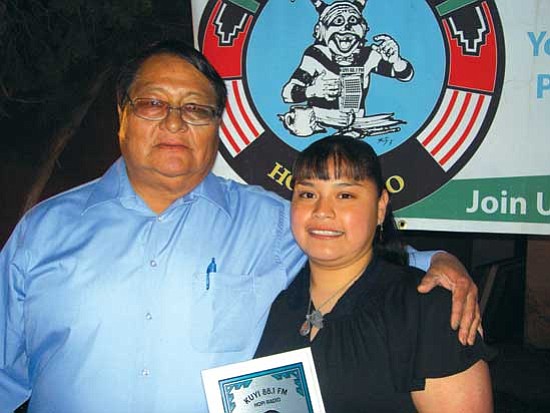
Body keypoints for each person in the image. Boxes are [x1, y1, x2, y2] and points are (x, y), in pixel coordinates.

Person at [0, 40, 478, 412]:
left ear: (218, 126)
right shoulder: (42, 231)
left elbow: (355, 247)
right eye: (152, 104)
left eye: (196, 109)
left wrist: (441, 261)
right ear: (122, 116)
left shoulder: (271, 221)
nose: (174, 122)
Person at [255, 136, 493, 412]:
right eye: (308, 194)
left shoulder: (429, 309)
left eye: (345, 195)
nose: (322, 211)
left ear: (380, 207)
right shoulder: (277, 303)